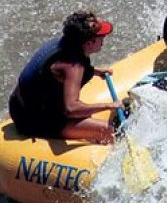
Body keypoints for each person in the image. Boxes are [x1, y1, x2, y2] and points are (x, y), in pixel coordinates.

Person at [8, 11, 123, 144]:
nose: (104, 39)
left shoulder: (65, 43)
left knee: (87, 116)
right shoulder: (74, 65)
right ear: (89, 43)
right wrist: (109, 105)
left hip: (20, 107)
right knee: (109, 130)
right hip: (31, 121)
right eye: (101, 37)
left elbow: (56, 69)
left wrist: (95, 71)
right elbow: (71, 109)